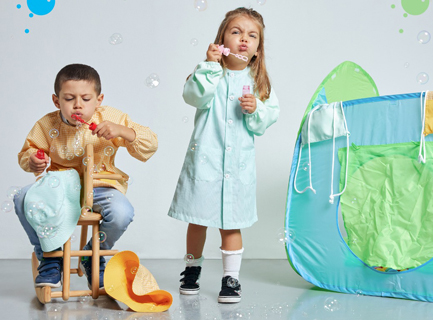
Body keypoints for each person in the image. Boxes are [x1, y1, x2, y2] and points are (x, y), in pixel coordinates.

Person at [168, 7, 279, 303]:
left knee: (232, 222)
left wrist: (257, 109)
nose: (244, 39)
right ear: (221, 40)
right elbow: (194, 96)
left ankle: (231, 279)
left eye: (252, 35)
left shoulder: (258, 84)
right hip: (205, 161)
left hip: (237, 166)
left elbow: (269, 118)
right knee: (197, 219)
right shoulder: (208, 74)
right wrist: (209, 64)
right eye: (236, 32)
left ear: (258, 48)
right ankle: (192, 269)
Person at [14, 63, 158, 289]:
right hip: (58, 188)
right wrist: (33, 159)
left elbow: (149, 145)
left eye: (86, 99)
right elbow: (27, 152)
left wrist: (123, 132)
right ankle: (50, 256)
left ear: (99, 99)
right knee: (22, 197)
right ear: (56, 101)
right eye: (69, 98)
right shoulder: (46, 124)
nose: (78, 105)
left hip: (100, 186)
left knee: (122, 213)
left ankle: (92, 254)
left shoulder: (110, 118)